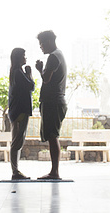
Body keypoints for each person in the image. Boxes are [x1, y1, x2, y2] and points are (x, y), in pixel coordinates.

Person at [35, 30, 67, 180]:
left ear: (47, 42)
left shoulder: (53, 57)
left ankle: (54, 172)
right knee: (52, 135)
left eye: (41, 44)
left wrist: (40, 70)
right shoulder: (59, 55)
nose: (40, 47)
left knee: (52, 136)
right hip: (55, 100)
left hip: (53, 101)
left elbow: (46, 78)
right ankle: (54, 171)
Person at [7, 47, 34, 180]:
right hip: (19, 112)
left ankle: (16, 170)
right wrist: (30, 73)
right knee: (17, 141)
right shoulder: (18, 72)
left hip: (19, 111)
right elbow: (31, 86)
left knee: (18, 141)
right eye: (23, 55)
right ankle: (15, 171)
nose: (25, 58)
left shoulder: (16, 72)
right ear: (18, 58)